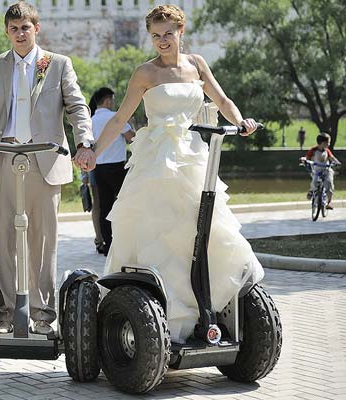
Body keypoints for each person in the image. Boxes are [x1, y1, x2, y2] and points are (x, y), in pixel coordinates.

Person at [79, 5, 263, 343]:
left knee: (200, 227)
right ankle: (161, 314)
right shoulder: (145, 73)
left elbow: (222, 99)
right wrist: (93, 152)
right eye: (155, 36)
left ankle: (206, 310)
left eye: (168, 34)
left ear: (181, 31)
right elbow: (120, 120)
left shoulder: (197, 64)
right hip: (156, 158)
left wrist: (240, 121)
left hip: (192, 154)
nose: (162, 41)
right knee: (159, 229)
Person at [0, 1, 95, 335]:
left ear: (37, 28)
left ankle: (43, 315)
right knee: (2, 240)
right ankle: (5, 314)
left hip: (44, 157)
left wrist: (84, 142)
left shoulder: (58, 64)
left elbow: (77, 107)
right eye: (14, 29)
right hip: (2, 156)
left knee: (43, 240)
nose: (20, 34)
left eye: (25, 27)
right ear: (7, 32)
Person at [88, 87, 135, 256]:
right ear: (107, 100)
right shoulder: (115, 117)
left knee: (104, 206)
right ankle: (125, 242)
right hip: (116, 166)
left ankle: (107, 245)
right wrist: (132, 124)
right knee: (124, 203)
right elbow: (131, 137)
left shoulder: (91, 120)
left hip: (98, 167)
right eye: (112, 100)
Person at [301, 132, 341, 209]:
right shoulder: (313, 150)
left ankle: (329, 202)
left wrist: (337, 162)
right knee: (314, 181)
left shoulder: (327, 151)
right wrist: (304, 160)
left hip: (326, 170)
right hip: (316, 170)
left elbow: (332, 157)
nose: (329, 144)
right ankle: (312, 191)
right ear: (322, 143)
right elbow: (307, 157)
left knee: (329, 184)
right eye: (328, 142)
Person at [81, 170, 105, 254]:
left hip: (95, 169)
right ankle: (100, 240)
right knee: (98, 203)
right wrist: (84, 174)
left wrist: (84, 175)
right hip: (95, 169)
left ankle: (99, 240)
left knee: (97, 203)